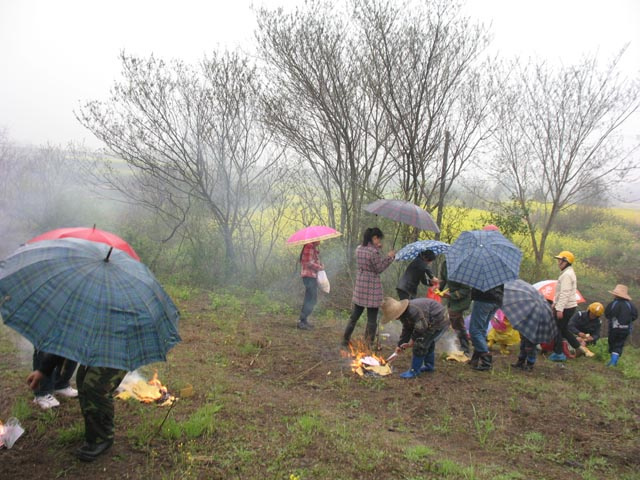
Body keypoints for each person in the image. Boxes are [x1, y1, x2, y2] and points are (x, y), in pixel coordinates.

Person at [27, 352, 127, 462]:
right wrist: (43, 370)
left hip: (117, 350)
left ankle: (103, 437)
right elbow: (67, 342)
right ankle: (93, 431)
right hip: (99, 346)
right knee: (82, 378)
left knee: (95, 386)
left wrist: (44, 370)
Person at [342, 227, 395, 348]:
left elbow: (369, 258)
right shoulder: (374, 252)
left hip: (361, 284)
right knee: (372, 319)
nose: (379, 241)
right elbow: (379, 268)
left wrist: (377, 248)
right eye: (378, 239)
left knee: (355, 315)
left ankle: (345, 340)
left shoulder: (359, 249)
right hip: (372, 286)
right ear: (374, 238)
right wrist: (390, 257)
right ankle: (367, 344)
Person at [380, 296, 449, 378]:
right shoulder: (404, 314)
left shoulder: (414, 311)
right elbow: (407, 328)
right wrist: (400, 345)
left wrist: (412, 341)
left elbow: (421, 328)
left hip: (439, 320)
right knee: (428, 342)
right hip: (429, 322)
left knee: (420, 344)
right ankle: (429, 366)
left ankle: (414, 371)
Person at [549, 251, 595, 361]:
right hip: (567, 306)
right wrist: (555, 303)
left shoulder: (567, 275)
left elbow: (565, 293)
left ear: (566, 262)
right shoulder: (567, 273)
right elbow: (561, 292)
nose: (558, 262)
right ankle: (579, 347)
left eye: (560, 260)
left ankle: (558, 353)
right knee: (563, 329)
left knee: (557, 329)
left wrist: (559, 308)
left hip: (565, 307)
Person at [439, 258, 472, 356]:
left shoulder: (464, 268)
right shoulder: (445, 264)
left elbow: (466, 289)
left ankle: (465, 347)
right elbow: (443, 279)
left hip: (461, 298)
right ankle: (461, 343)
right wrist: (438, 288)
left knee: (456, 319)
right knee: (454, 321)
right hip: (451, 298)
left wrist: (451, 295)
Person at [604, 284, 638, 367]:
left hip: (614, 328)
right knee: (619, 344)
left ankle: (612, 361)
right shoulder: (630, 305)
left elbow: (607, 314)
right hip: (625, 329)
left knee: (612, 343)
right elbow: (635, 316)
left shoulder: (613, 304)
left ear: (615, 294)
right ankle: (613, 361)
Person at [297, 241, 324, 330]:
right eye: (318, 239)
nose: (320, 240)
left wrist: (320, 264)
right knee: (311, 299)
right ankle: (301, 321)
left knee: (310, 299)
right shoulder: (309, 246)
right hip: (309, 276)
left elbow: (311, 261)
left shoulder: (313, 248)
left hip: (311, 276)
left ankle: (304, 320)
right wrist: (319, 267)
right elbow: (308, 263)